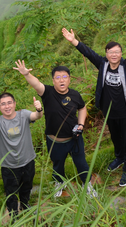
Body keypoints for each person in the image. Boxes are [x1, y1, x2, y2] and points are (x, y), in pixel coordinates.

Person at [62, 28, 126, 187]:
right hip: (109, 112)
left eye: (117, 52)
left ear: (121, 54)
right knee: (115, 137)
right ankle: (119, 158)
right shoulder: (102, 64)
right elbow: (88, 53)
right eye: (110, 52)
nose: (114, 55)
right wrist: (73, 41)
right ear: (106, 54)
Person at [13, 60, 97, 198]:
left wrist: (81, 124)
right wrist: (26, 74)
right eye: (57, 77)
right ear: (53, 80)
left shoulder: (75, 95)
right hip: (55, 140)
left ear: (69, 79)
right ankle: (59, 182)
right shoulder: (48, 92)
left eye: (64, 77)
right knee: (58, 164)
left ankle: (86, 184)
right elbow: (36, 84)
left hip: (75, 138)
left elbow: (82, 108)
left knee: (81, 163)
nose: (61, 80)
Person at [0, 93, 43, 217]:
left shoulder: (23, 115)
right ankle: (13, 214)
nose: (7, 106)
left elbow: (37, 115)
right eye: (3, 104)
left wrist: (39, 109)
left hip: (27, 161)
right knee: (11, 192)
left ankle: (25, 205)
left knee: (27, 186)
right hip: (9, 165)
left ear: (14, 104)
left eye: (9, 103)